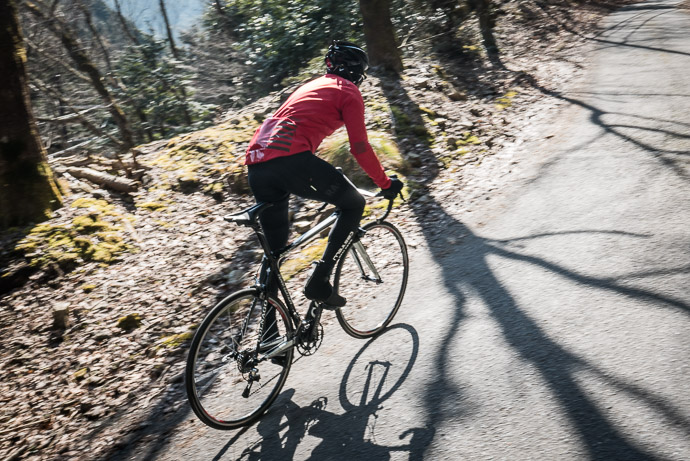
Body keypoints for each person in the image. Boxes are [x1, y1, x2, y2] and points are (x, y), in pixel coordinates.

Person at [245, 40, 403, 308]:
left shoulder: (311, 85)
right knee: (353, 204)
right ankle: (319, 280)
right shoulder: (349, 91)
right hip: (291, 160)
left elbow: (298, 126)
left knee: (275, 250)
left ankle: (269, 336)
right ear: (356, 73)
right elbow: (360, 147)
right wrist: (384, 183)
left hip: (256, 162)